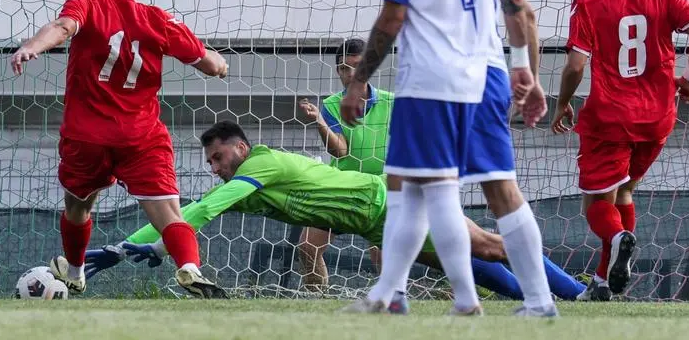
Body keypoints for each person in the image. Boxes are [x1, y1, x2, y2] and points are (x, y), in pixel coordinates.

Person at [339, 0, 556, 317]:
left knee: (411, 183)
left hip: (433, 80)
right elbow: (515, 2)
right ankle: (538, 301)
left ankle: (412, 295)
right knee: (496, 186)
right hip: (489, 73)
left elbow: (392, 18)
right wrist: (524, 71)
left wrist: (358, 81)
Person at [82, 121, 586, 304]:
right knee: (465, 267)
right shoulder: (244, 181)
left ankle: (581, 293)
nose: (214, 167)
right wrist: (131, 242)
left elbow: (206, 209)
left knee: (490, 246)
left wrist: (139, 243)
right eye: (210, 161)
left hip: (385, 201)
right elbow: (186, 208)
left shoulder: (261, 165)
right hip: (375, 222)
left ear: (240, 147)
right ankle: (549, 303)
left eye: (218, 157)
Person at [9, 0, 230, 298]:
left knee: (78, 206)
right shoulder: (158, 18)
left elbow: (64, 27)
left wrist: (33, 46)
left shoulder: (88, 2)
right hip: (140, 136)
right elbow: (208, 63)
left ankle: (76, 271)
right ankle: (189, 267)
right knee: (169, 215)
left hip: (87, 135)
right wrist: (220, 64)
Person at [551, 0, 689, 301]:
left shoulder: (588, 1)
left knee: (595, 203)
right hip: (657, 117)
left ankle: (619, 237)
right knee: (624, 192)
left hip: (610, 118)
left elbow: (575, 64)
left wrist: (563, 104)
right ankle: (603, 283)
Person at [296, 37, 393, 289]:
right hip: (345, 188)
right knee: (307, 247)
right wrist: (319, 121)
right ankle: (318, 301)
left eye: (358, 67)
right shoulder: (330, 105)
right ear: (338, 70)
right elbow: (340, 151)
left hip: (382, 190)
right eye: (344, 68)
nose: (351, 74)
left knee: (383, 255)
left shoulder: (393, 103)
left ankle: (392, 303)